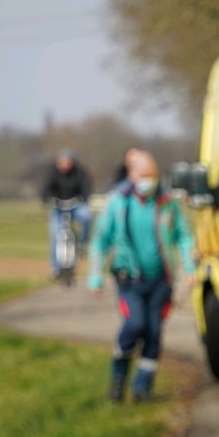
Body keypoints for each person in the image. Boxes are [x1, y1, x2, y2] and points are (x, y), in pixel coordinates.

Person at [87, 151, 195, 403]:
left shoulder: (167, 202)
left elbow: (183, 235)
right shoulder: (118, 203)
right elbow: (100, 241)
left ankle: (142, 388)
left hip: (160, 280)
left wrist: (189, 268)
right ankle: (118, 378)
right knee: (135, 325)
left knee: (154, 333)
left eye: (152, 176)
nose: (148, 181)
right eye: (143, 176)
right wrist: (95, 276)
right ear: (132, 175)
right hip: (129, 280)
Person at [41, 150, 93, 279]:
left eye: (67, 162)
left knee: (87, 216)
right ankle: (56, 268)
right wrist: (47, 199)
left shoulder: (80, 172)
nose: (64, 165)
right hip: (59, 207)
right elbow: (46, 188)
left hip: (76, 205)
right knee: (55, 232)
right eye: (62, 162)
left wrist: (85, 198)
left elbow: (87, 187)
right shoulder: (53, 172)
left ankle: (82, 243)